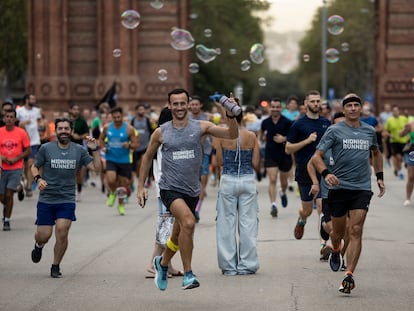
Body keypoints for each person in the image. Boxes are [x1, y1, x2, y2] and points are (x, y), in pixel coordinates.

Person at [137, 88, 238, 291]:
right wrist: (141, 186)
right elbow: (147, 156)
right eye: (175, 104)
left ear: (189, 104)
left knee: (177, 235)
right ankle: (189, 274)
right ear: (169, 106)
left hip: (192, 190)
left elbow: (231, 134)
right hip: (169, 189)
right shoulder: (161, 132)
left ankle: (162, 264)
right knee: (189, 223)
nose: (180, 107)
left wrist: (230, 114)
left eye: (183, 103)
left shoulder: (200, 127)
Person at [311, 93, 385, 294]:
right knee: (338, 234)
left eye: (356, 105)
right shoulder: (334, 131)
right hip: (338, 188)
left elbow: (376, 154)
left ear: (361, 109)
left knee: (356, 230)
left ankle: (349, 274)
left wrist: (379, 176)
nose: (353, 108)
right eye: (349, 106)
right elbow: (317, 157)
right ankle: (335, 250)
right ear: (343, 110)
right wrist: (326, 173)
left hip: (361, 188)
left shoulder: (369, 131)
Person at [30, 117, 101, 278]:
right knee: (44, 234)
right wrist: (38, 179)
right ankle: (39, 245)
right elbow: (34, 166)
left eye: (66, 128)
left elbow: (97, 169)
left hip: (67, 199)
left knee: (62, 231)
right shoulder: (46, 148)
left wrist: (95, 150)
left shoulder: (79, 150)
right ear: (55, 131)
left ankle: (55, 265)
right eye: (60, 128)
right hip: (47, 199)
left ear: (71, 131)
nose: (63, 131)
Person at [214, 101, 260, 275]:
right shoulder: (252, 136)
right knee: (248, 224)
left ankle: (228, 266)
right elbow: (256, 163)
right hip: (247, 179)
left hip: (228, 179)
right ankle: (247, 264)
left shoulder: (221, 136)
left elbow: (219, 162)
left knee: (226, 223)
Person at [285, 90, 331, 241]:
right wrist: (306, 141)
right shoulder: (298, 124)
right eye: (312, 101)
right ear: (305, 104)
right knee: (308, 210)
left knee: (322, 208)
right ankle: (301, 220)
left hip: (323, 171)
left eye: (318, 101)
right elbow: (288, 148)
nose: (316, 104)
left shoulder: (327, 123)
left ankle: (323, 245)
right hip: (304, 171)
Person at [145, 106, 183, 278]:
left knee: (171, 228)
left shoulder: (166, 137)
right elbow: (161, 168)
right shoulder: (163, 139)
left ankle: (168, 265)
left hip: (170, 189)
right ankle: (154, 264)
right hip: (167, 190)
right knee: (166, 228)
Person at [307, 112, 348, 262]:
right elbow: (311, 164)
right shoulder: (326, 145)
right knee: (332, 229)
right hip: (328, 195)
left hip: (349, 193)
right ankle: (332, 247)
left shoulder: (353, 144)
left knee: (349, 229)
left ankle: (340, 256)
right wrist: (315, 183)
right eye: (337, 124)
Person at [99, 107, 139, 215]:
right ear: (111, 117)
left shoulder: (129, 129)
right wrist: (103, 147)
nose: (117, 119)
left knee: (122, 185)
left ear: (122, 116)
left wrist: (129, 145)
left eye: (118, 117)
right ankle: (112, 192)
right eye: (114, 117)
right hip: (111, 158)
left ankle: (121, 205)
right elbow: (101, 139)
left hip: (124, 160)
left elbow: (136, 144)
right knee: (111, 179)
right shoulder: (107, 127)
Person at [259, 97, 293, 217]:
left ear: (281, 108)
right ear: (270, 108)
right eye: (273, 107)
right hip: (270, 154)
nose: (275, 109)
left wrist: (284, 139)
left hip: (285, 155)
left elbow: (294, 137)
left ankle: (283, 192)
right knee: (272, 179)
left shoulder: (288, 122)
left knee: (284, 183)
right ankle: (273, 204)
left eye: (277, 107)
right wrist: (261, 139)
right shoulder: (265, 122)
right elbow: (261, 133)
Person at [0, 109, 31, 231]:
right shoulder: (0, 132)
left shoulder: (21, 132)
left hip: (16, 168)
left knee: (8, 195)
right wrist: (3, 157)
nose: (8, 119)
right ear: (3, 118)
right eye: (6, 116)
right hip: (2, 167)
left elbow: (28, 150)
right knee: (2, 196)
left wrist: (16, 158)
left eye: (11, 117)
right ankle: (19, 188)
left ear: (15, 119)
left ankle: (7, 220)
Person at [188, 95, 213, 222]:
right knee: (191, 184)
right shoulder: (186, 118)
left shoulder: (206, 118)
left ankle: (197, 209)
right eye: (192, 104)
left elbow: (204, 137)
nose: (194, 106)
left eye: (196, 104)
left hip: (204, 153)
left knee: (202, 183)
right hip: (189, 154)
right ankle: (191, 207)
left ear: (201, 105)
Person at [16, 94, 42, 197]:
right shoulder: (19, 111)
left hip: (34, 141)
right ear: (26, 100)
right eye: (32, 99)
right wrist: (22, 123)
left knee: (31, 163)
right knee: (24, 165)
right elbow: (16, 124)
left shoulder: (36, 111)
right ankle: (25, 180)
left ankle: (28, 186)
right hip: (22, 141)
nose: (34, 100)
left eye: (34, 99)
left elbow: (40, 122)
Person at [69, 103, 90, 202]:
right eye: (74, 109)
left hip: (79, 147)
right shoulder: (67, 121)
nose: (76, 111)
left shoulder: (82, 121)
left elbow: (86, 134)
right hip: (67, 147)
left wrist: (79, 137)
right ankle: (69, 191)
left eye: (78, 109)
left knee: (78, 171)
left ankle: (79, 192)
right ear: (71, 110)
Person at [130, 103, 154, 189]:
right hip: (136, 146)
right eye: (140, 109)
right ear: (136, 111)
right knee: (136, 165)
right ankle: (136, 179)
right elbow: (130, 133)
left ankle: (147, 180)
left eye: (143, 109)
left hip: (145, 145)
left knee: (144, 162)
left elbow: (153, 132)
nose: (142, 111)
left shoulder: (148, 120)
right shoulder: (133, 121)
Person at [385, 105, 409, 179]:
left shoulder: (404, 119)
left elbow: (408, 128)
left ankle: (396, 168)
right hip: (394, 141)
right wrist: (390, 135)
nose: (395, 112)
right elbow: (386, 130)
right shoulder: (389, 120)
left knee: (401, 158)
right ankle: (401, 171)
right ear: (392, 112)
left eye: (396, 110)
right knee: (397, 157)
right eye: (394, 111)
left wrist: (408, 136)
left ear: (399, 111)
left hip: (403, 141)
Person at [400, 120, 414, 206]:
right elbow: (401, 135)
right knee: (411, 176)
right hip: (413, 151)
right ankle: (408, 198)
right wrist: (405, 129)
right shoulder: (411, 124)